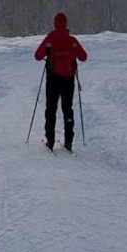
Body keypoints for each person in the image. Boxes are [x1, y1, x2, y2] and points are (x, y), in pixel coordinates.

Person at [34, 12, 88, 151]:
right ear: (66, 24)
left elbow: (37, 56)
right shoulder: (72, 40)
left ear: (55, 23)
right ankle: (69, 141)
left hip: (52, 79)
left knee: (51, 109)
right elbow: (84, 57)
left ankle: (50, 140)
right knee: (67, 109)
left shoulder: (50, 38)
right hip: (68, 80)